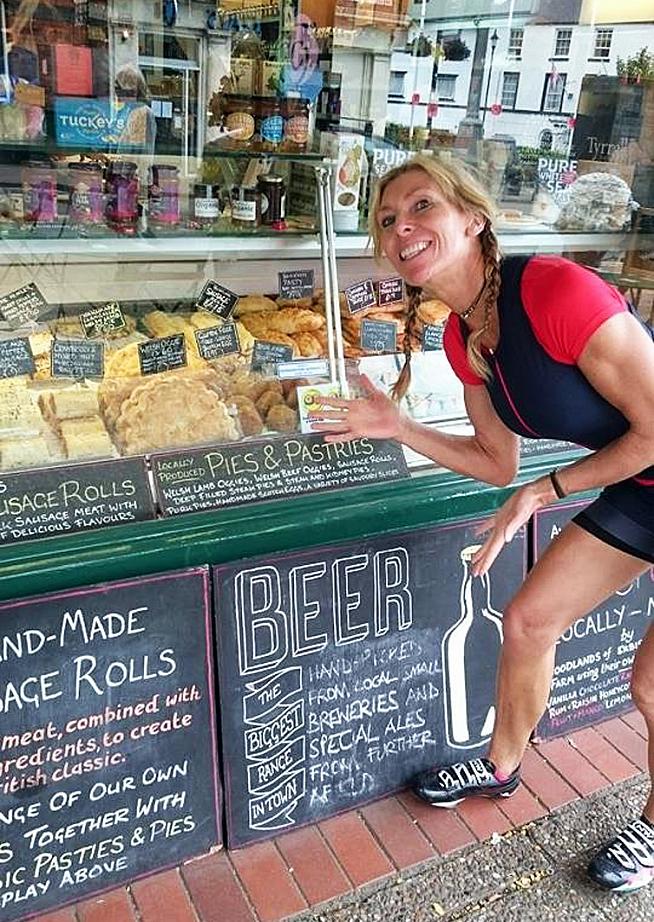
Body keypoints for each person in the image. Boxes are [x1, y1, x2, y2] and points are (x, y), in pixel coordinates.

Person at [311, 153, 654, 894]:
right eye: (386, 219)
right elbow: (498, 463)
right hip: (643, 488)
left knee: (652, 688)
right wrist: (401, 429)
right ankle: (501, 766)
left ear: (472, 219)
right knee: (527, 622)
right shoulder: (464, 338)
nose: (401, 227)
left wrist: (547, 490)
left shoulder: (556, 291)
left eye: (421, 206)